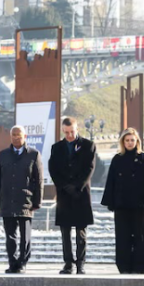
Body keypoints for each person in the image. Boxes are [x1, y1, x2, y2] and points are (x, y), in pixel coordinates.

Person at [102, 128, 144, 274]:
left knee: (141, 237)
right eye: (127, 140)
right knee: (123, 237)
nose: (130, 143)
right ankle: (124, 267)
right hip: (122, 205)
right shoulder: (117, 159)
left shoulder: (143, 158)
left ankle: (140, 267)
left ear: (137, 141)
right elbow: (111, 182)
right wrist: (110, 202)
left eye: (132, 140)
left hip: (140, 206)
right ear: (123, 142)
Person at [49, 117, 96, 275]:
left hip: (81, 194)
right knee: (65, 231)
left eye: (72, 132)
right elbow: (53, 169)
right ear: (63, 130)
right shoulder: (56, 148)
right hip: (64, 194)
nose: (69, 135)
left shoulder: (88, 145)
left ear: (77, 129)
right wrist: (65, 186)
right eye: (66, 132)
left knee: (81, 232)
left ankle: (80, 263)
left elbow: (89, 168)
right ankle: (68, 263)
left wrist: (77, 186)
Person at [0, 125, 43, 274]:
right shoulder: (3, 155)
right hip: (7, 201)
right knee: (10, 236)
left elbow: (38, 180)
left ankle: (22, 262)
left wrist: (37, 202)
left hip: (25, 201)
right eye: (13, 135)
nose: (16, 137)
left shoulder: (33, 155)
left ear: (25, 137)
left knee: (25, 236)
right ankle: (12, 262)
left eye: (19, 135)